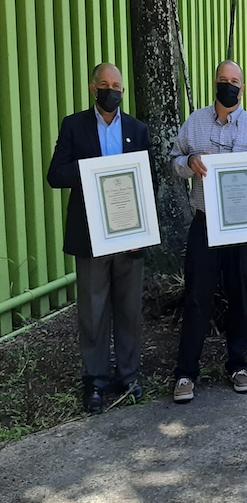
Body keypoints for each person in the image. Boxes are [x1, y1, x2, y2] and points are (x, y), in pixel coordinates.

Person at [170, 60, 247, 403]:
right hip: (204, 226)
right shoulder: (195, 123)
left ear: (242, 88)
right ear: (214, 83)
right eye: (223, 80)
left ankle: (238, 365)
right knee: (198, 299)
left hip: (242, 232)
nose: (228, 86)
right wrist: (189, 163)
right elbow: (174, 160)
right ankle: (186, 373)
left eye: (235, 81)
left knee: (240, 300)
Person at [47, 63, 152, 413]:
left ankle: (129, 375)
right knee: (92, 311)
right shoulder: (74, 126)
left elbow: (147, 184)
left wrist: (145, 231)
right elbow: (55, 174)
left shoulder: (137, 130)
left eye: (117, 85)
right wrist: (91, 171)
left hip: (129, 235)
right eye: (105, 85)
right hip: (90, 236)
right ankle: (95, 381)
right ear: (93, 89)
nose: (112, 91)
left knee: (128, 309)